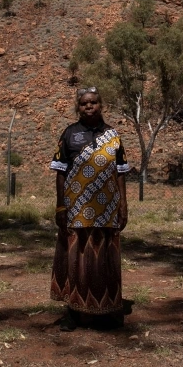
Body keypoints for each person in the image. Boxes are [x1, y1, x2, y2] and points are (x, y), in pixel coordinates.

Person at [49, 86, 130, 330]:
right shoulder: (69, 134)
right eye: (84, 103)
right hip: (77, 209)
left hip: (106, 210)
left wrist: (123, 205)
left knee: (104, 258)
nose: (89, 106)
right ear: (78, 107)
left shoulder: (113, 136)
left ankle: (107, 311)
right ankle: (73, 312)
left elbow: (120, 173)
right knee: (77, 258)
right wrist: (61, 207)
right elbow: (60, 173)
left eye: (93, 102)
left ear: (100, 105)